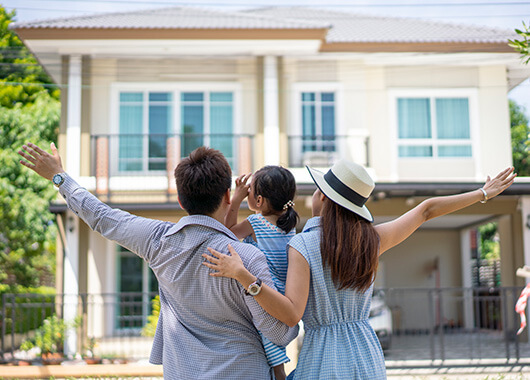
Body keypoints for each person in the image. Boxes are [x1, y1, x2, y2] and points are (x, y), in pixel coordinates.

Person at [203, 159, 516, 379]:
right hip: (367, 353)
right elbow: (426, 210)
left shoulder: (302, 246)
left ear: (323, 198)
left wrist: (244, 276)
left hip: (323, 357)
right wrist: (483, 194)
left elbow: (290, 314)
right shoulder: (372, 240)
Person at [18, 142, 298, 380]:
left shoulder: (158, 240)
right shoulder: (247, 257)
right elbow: (279, 333)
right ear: (227, 196)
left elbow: (102, 217)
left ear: (179, 199)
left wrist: (59, 176)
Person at [225, 166, 299, 380]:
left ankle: (279, 374)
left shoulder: (257, 223)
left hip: (265, 288)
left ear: (259, 201)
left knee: (265, 333)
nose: (245, 193)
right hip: (285, 291)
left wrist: (236, 199)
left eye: (248, 191)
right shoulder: (290, 223)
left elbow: (227, 234)